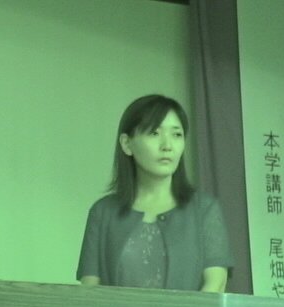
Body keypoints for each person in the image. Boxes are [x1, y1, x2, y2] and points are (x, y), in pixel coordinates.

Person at [76, 94, 234, 292]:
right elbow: (89, 290)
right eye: (154, 133)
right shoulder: (102, 212)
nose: (167, 146)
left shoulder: (204, 209)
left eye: (177, 135)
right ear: (127, 144)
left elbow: (216, 283)